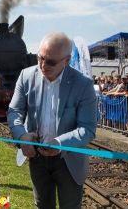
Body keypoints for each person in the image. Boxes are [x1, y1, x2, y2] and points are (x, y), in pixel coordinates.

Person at [7, 32, 97, 209]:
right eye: (40, 58)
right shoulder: (26, 76)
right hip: (37, 158)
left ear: (67, 60)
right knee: (42, 205)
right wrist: (22, 136)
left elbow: (88, 129)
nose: (43, 65)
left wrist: (60, 142)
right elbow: (14, 111)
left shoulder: (83, 85)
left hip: (69, 161)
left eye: (50, 62)